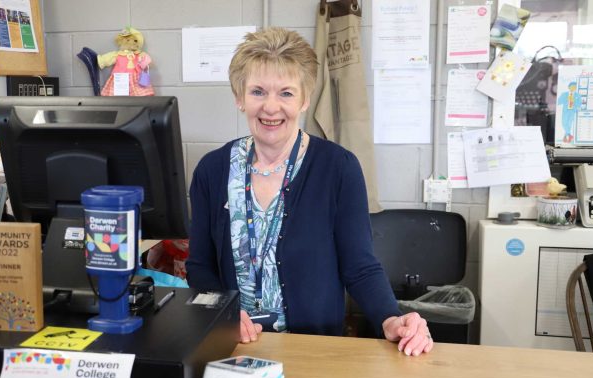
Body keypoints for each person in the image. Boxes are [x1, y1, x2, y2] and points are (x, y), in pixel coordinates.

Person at [186, 27, 433, 356]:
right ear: (239, 97)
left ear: (304, 99)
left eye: (286, 93)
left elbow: (359, 265)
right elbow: (199, 266)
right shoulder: (212, 171)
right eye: (258, 91)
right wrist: (224, 312)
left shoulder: (338, 168)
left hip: (315, 348)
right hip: (234, 345)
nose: (271, 107)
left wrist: (391, 317)